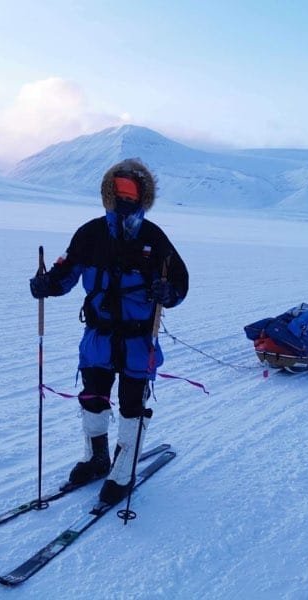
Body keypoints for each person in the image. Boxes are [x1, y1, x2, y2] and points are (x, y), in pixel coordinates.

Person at [29, 158, 188, 504]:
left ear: (143, 197)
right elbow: (66, 273)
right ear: (107, 193)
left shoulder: (154, 239)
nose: (124, 199)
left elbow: (180, 282)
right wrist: (46, 285)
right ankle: (96, 458)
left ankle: (123, 470)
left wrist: (169, 294)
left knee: (132, 404)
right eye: (117, 191)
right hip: (98, 339)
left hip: (137, 341)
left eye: (131, 192)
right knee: (93, 398)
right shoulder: (90, 234)